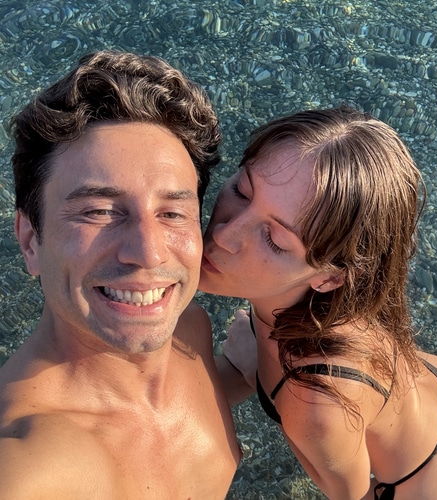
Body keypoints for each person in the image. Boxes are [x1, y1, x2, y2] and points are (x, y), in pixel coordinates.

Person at [199, 106, 437, 499]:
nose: (224, 234)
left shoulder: (313, 402)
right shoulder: (348, 300)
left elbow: (352, 491)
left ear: (329, 277)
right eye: (242, 190)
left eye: (275, 240)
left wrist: (259, 375)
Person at [1, 50, 241, 498]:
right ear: (31, 240)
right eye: (99, 211)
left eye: (172, 213)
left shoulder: (190, 331)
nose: (148, 253)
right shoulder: (25, 463)